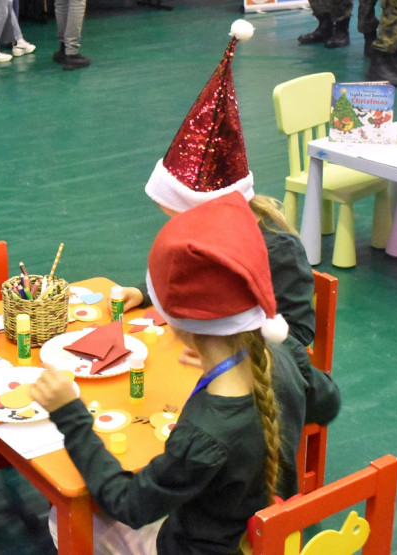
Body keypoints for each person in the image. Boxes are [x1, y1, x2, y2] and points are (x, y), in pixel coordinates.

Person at [31, 192, 342, 555]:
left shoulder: (204, 437)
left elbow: (128, 504)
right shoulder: (283, 353)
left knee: (62, 516)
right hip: (265, 536)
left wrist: (69, 414)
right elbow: (327, 403)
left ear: (178, 328)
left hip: (201, 547)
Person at [124, 21, 317, 348]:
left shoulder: (278, 250)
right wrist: (143, 294)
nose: (177, 229)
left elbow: (298, 335)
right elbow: (193, 285)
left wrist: (231, 350)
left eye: (180, 218)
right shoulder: (198, 242)